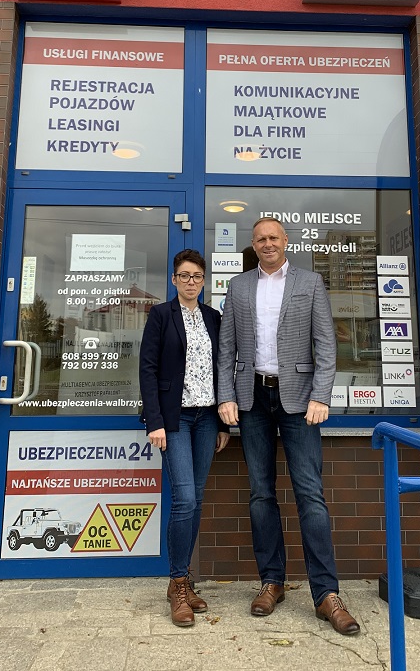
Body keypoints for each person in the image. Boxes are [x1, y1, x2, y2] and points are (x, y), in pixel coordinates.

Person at [217, 218, 360, 636]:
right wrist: (226, 396)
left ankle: (326, 594)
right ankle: (272, 582)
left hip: (299, 401)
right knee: (261, 493)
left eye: (273, 238)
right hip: (252, 400)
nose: (267, 244)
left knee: (310, 495)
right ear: (253, 244)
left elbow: (326, 345)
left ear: (285, 242)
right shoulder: (238, 287)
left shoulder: (310, 283)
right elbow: (226, 348)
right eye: (260, 238)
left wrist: (321, 396)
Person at [139, 249, 230, 627]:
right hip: (174, 419)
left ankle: (184, 580)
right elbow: (147, 368)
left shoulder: (213, 317)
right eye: (184, 276)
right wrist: (155, 421)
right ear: (174, 279)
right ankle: (178, 582)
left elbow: (223, 368)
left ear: (204, 281)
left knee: (197, 498)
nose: (191, 282)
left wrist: (224, 423)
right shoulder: (161, 315)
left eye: (197, 276)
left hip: (207, 417)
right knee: (185, 499)